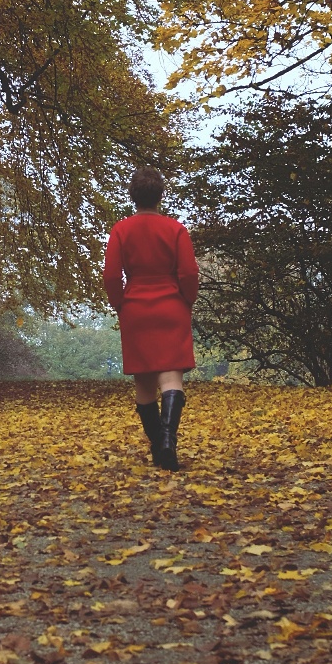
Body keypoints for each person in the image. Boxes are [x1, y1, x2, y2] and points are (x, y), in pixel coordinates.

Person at [103, 166, 199, 470]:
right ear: (160, 195)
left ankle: (160, 447)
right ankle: (168, 442)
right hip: (171, 307)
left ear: (133, 196)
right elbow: (188, 272)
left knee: (144, 386)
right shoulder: (176, 230)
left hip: (136, 310)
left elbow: (110, 275)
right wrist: (187, 300)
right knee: (171, 378)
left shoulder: (121, 230)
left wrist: (120, 304)